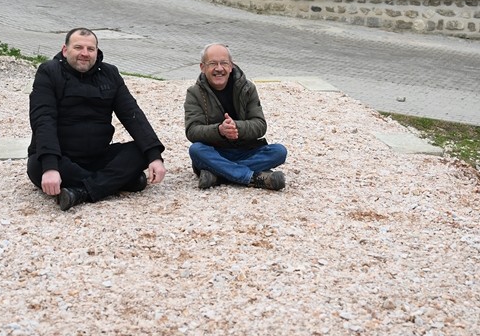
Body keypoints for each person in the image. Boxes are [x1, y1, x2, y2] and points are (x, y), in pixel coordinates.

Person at [27, 27, 166, 211]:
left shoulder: (110, 73)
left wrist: (154, 156)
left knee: (141, 151)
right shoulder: (48, 72)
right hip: (61, 156)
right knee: (38, 165)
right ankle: (117, 181)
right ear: (65, 50)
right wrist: (51, 167)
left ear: (97, 52)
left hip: (98, 156)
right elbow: (43, 119)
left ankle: (81, 192)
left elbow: (132, 114)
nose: (85, 54)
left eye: (90, 49)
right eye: (78, 48)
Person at [184, 43, 288, 190]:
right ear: (202, 67)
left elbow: (260, 125)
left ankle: (218, 174)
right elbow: (192, 131)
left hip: (247, 150)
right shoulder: (194, 93)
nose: (219, 68)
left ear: (231, 66)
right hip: (214, 152)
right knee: (196, 150)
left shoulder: (248, 88)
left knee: (279, 151)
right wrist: (220, 130)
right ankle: (253, 178)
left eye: (224, 63)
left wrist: (237, 127)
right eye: (213, 63)